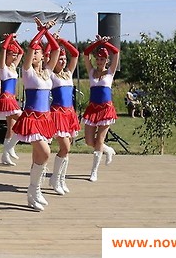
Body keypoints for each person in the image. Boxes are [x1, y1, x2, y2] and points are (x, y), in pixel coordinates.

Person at [12, 17, 59, 211]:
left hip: (45, 119)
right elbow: (31, 46)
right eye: (35, 52)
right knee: (45, 153)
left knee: (37, 157)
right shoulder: (27, 71)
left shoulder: (47, 72)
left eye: (39, 52)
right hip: (32, 118)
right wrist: (41, 31)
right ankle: (34, 189)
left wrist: (46, 32)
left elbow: (56, 49)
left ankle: (33, 194)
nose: (35, 53)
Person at [82, 35, 120, 182]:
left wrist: (106, 43)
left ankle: (94, 171)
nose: (99, 61)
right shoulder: (91, 71)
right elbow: (86, 53)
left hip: (106, 109)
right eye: (97, 59)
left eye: (102, 59)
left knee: (99, 139)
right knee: (89, 141)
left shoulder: (110, 72)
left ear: (107, 60)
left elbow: (116, 52)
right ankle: (107, 149)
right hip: (92, 108)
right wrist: (98, 43)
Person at [48, 35, 80, 195]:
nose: (63, 61)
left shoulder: (68, 73)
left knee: (67, 149)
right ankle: (55, 178)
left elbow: (75, 54)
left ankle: (61, 179)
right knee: (65, 147)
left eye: (64, 59)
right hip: (58, 114)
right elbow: (48, 54)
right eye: (60, 59)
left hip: (69, 114)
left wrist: (63, 42)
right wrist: (53, 43)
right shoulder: (51, 75)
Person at [0, 33, 24, 166]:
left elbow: (22, 52)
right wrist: (9, 39)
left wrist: (13, 41)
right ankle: (10, 147)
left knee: (11, 128)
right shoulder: (3, 68)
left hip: (12, 99)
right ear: (7, 54)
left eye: (15, 55)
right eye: (13, 54)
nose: (15, 57)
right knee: (24, 120)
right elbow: (3, 49)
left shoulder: (13, 67)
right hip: (6, 99)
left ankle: (5, 156)